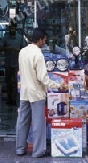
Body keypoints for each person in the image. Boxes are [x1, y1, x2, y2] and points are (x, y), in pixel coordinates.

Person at [16, 28, 60, 158]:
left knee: (22, 121)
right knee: (38, 123)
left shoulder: (22, 51)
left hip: (24, 92)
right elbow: (43, 77)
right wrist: (57, 85)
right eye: (44, 40)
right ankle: (38, 151)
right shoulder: (38, 54)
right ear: (40, 40)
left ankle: (20, 148)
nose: (45, 42)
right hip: (36, 93)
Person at [0, 21, 28, 105]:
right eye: (11, 28)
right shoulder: (5, 37)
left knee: (15, 82)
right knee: (8, 81)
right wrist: (7, 48)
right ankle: (9, 99)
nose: (12, 30)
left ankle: (14, 99)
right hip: (8, 63)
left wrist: (16, 50)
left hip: (17, 64)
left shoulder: (20, 38)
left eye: (14, 28)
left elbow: (25, 50)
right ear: (9, 29)